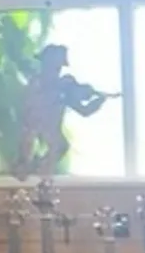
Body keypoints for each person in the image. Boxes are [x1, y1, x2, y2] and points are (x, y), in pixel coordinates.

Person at [16, 44, 120, 178]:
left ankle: (39, 170)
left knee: (60, 147)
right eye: (51, 65)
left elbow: (84, 110)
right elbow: (30, 105)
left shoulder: (65, 88)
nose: (54, 70)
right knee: (25, 157)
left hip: (50, 133)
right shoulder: (36, 83)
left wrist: (99, 99)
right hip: (31, 129)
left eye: (57, 67)